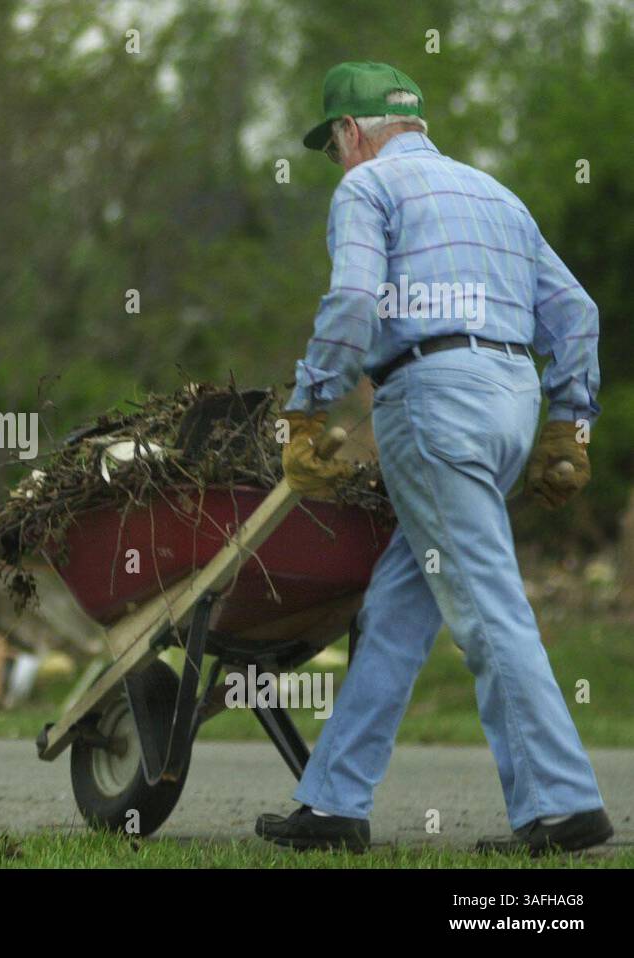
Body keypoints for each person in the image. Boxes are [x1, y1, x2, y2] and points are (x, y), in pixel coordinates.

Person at [257, 61, 611, 855]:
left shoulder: (366, 189)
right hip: (512, 403)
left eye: (333, 145)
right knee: (401, 605)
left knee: (487, 609)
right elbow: (576, 313)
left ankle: (563, 803)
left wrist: (308, 408)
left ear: (352, 133)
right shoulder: (496, 195)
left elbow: (352, 302)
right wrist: (570, 425)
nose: (336, 162)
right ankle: (334, 804)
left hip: (434, 402)